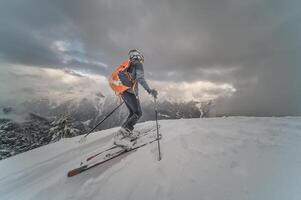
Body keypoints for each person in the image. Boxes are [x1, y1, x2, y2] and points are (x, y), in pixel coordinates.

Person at [114, 49, 157, 148]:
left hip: (123, 91)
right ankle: (120, 136)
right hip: (130, 93)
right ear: (139, 57)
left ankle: (126, 131)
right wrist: (150, 90)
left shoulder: (128, 65)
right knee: (138, 113)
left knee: (132, 113)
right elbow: (141, 79)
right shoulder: (138, 64)